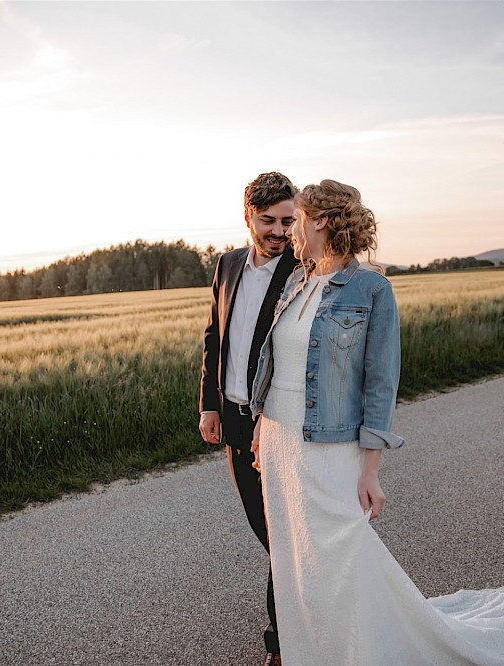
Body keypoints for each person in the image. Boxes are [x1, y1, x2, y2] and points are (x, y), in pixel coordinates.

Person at [250, 179, 504, 665]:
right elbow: (277, 365)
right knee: (294, 557)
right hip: (279, 441)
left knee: (341, 553)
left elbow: (380, 383)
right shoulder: (297, 281)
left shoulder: (371, 289)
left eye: (298, 220)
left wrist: (370, 470)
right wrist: (262, 429)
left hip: (328, 446)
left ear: (321, 221)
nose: (291, 232)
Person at [198, 171, 300, 665]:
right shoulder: (228, 264)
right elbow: (214, 337)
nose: (280, 231)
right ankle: (311, 611)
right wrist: (209, 403)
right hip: (234, 425)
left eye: (289, 220)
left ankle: (282, 645)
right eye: (270, 221)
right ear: (248, 217)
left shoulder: (304, 270)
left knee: (283, 535)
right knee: (270, 534)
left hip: (278, 425)